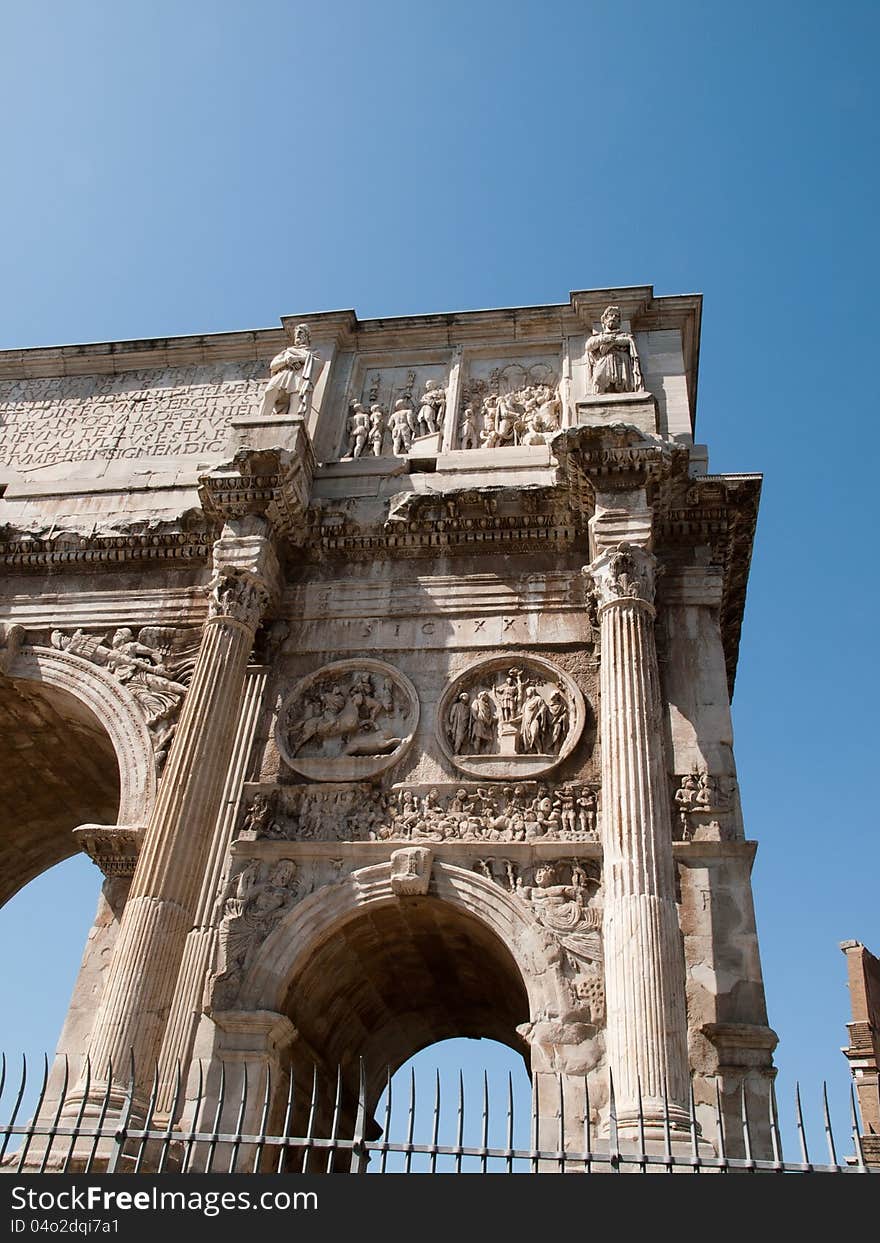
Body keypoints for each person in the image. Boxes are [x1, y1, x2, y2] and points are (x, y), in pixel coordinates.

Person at [585, 305, 644, 394]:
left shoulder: (624, 334)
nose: (613, 317)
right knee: (597, 378)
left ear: (619, 321)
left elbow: (629, 341)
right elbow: (589, 346)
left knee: (624, 384)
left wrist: (612, 342)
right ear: (604, 319)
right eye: (611, 315)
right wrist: (606, 339)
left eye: (616, 316)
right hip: (604, 361)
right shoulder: (599, 336)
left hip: (622, 361)